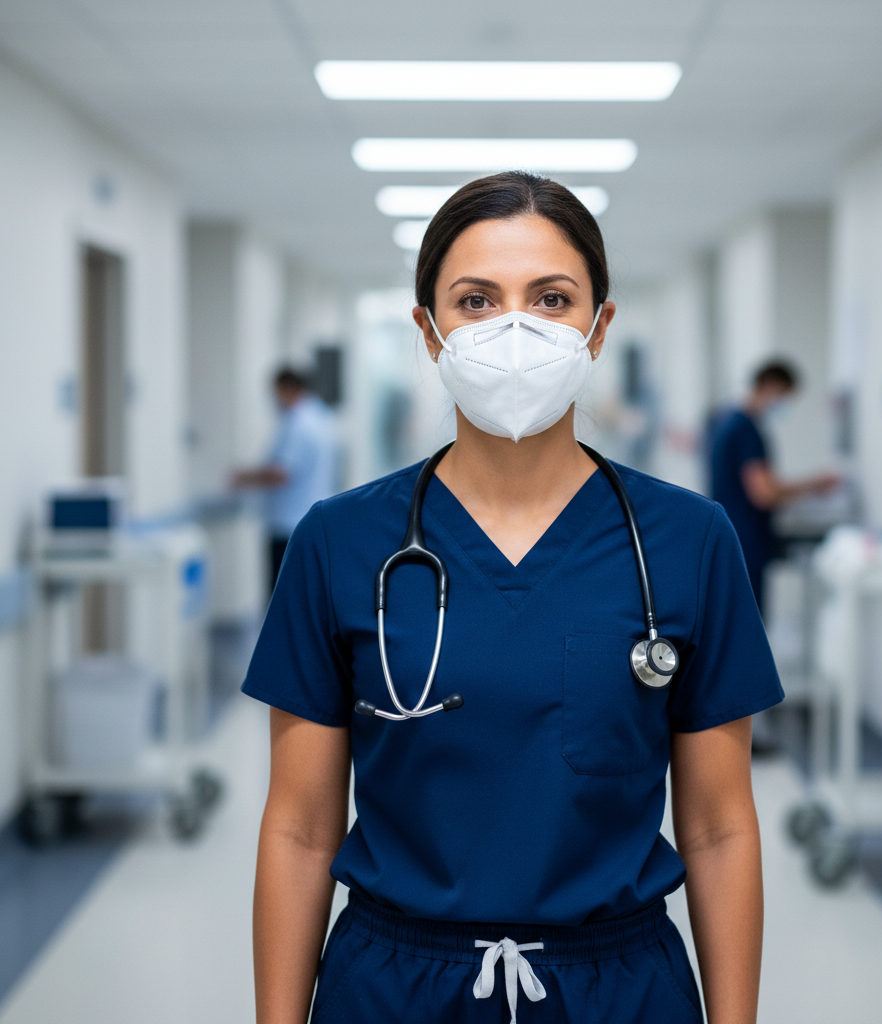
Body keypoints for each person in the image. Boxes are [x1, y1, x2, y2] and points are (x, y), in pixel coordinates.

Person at [243, 173, 783, 1024]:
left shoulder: (688, 541)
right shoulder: (339, 541)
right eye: (476, 300)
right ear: (429, 331)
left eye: (553, 298)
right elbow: (301, 829)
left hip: (621, 988)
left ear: (599, 326)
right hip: (391, 988)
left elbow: (719, 828)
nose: (516, 329)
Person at [708, 361, 839, 610]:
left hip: (731, 537)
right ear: (772, 386)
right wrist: (814, 486)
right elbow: (764, 494)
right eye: (785, 396)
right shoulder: (745, 429)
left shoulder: (726, 421)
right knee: (748, 622)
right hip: (745, 540)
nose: (783, 404)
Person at [233, 368, 337, 597]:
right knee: (302, 594)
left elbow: (281, 473)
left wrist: (243, 478)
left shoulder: (298, 423)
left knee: (284, 595)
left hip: (289, 525)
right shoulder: (320, 417)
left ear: (287, 389)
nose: (275, 400)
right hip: (308, 519)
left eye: (276, 393)